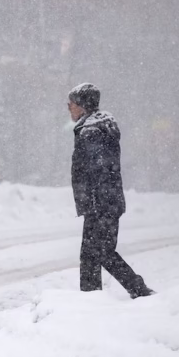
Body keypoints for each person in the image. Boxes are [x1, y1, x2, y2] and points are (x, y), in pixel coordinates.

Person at [68, 83, 154, 298]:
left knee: (98, 253)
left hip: (101, 202)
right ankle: (94, 297)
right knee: (95, 253)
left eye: (71, 104)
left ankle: (134, 291)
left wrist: (95, 200)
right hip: (103, 201)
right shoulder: (96, 127)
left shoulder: (91, 131)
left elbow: (98, 169)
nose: (68, 108)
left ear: (82, 105)